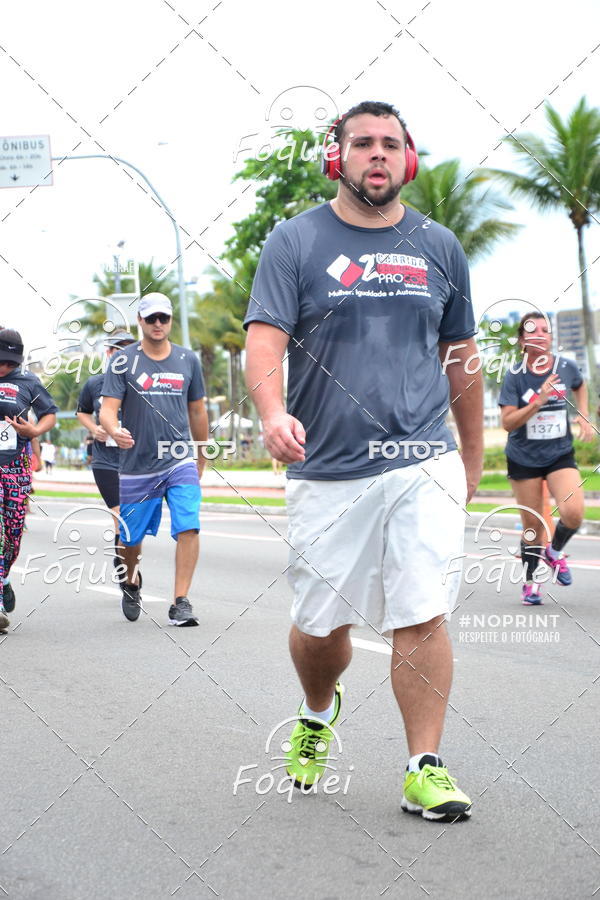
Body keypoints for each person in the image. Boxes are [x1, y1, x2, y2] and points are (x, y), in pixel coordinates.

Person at [244, 101, 483, 821]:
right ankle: (318, 711)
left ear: (407, 159)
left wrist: (468, 462)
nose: (376, 155)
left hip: (423, 460)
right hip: (329, 468)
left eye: (390, 145)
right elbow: (264, 340)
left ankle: (424, 767)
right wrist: (270, 411)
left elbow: (461, 358)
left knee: (423, 612)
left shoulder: (440, 246)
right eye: (362, 144)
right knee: (322, 627)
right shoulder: (295, 241)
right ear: (336, 158)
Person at [100, 293, 208, 626]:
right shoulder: (122, 361)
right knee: (130, 539)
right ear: (140, 322)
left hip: (178, 458)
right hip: (137, 464)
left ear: (171, 320)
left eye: (164, 318)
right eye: (151, 319)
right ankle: (130, 581)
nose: (158, 324)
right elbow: (107, 409)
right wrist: (113, 430)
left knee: (188, 524)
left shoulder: (188, 359)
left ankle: (181, 602)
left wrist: (202, 451)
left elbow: (197, 409)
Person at [498, 312, 595, 604]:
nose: (540, 334)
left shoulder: (565, 366)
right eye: (532, 330)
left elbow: (579, 385)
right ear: (522, 341)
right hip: (524, 458)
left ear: (552, 337)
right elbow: (508, 422)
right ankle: (530, 583)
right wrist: (538, 401)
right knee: (532, 526)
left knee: (574, 512)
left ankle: (553, 553)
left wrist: (583, 415)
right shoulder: (514, 376)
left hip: (559, 454)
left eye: (545, 329)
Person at [0, 328, 57, 629]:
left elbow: (50, 413)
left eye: (10, 362)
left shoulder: (28, 382)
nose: (5, 367)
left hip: (16, 466)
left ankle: (4, 576)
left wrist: (34, 431)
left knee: (12, 535)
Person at [76, 329, 137, 581]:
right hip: (105, 462)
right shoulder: (95, 384)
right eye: (117, 349)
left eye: (127, 349)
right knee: (121, 515)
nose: (122, 353)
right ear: (108, 352)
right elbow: (82, 412)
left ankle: (122, 559)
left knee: (133, 521)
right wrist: (95, 429)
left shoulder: (141, 382)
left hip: (135, 461)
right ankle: (129, 579)